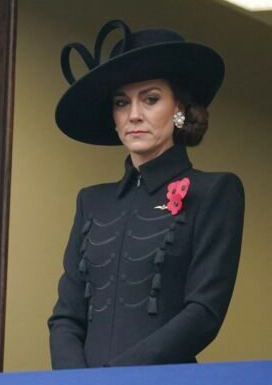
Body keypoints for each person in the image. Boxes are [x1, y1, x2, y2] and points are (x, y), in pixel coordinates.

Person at [48, 20, 245, 368]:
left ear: (179, 110)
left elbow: (204, 311)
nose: (134, 115)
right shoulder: (91, 201)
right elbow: (66, 317)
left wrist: (120, 378)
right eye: (122, 103)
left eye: (150, 99)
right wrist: (76, 381)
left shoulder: (216, 191)